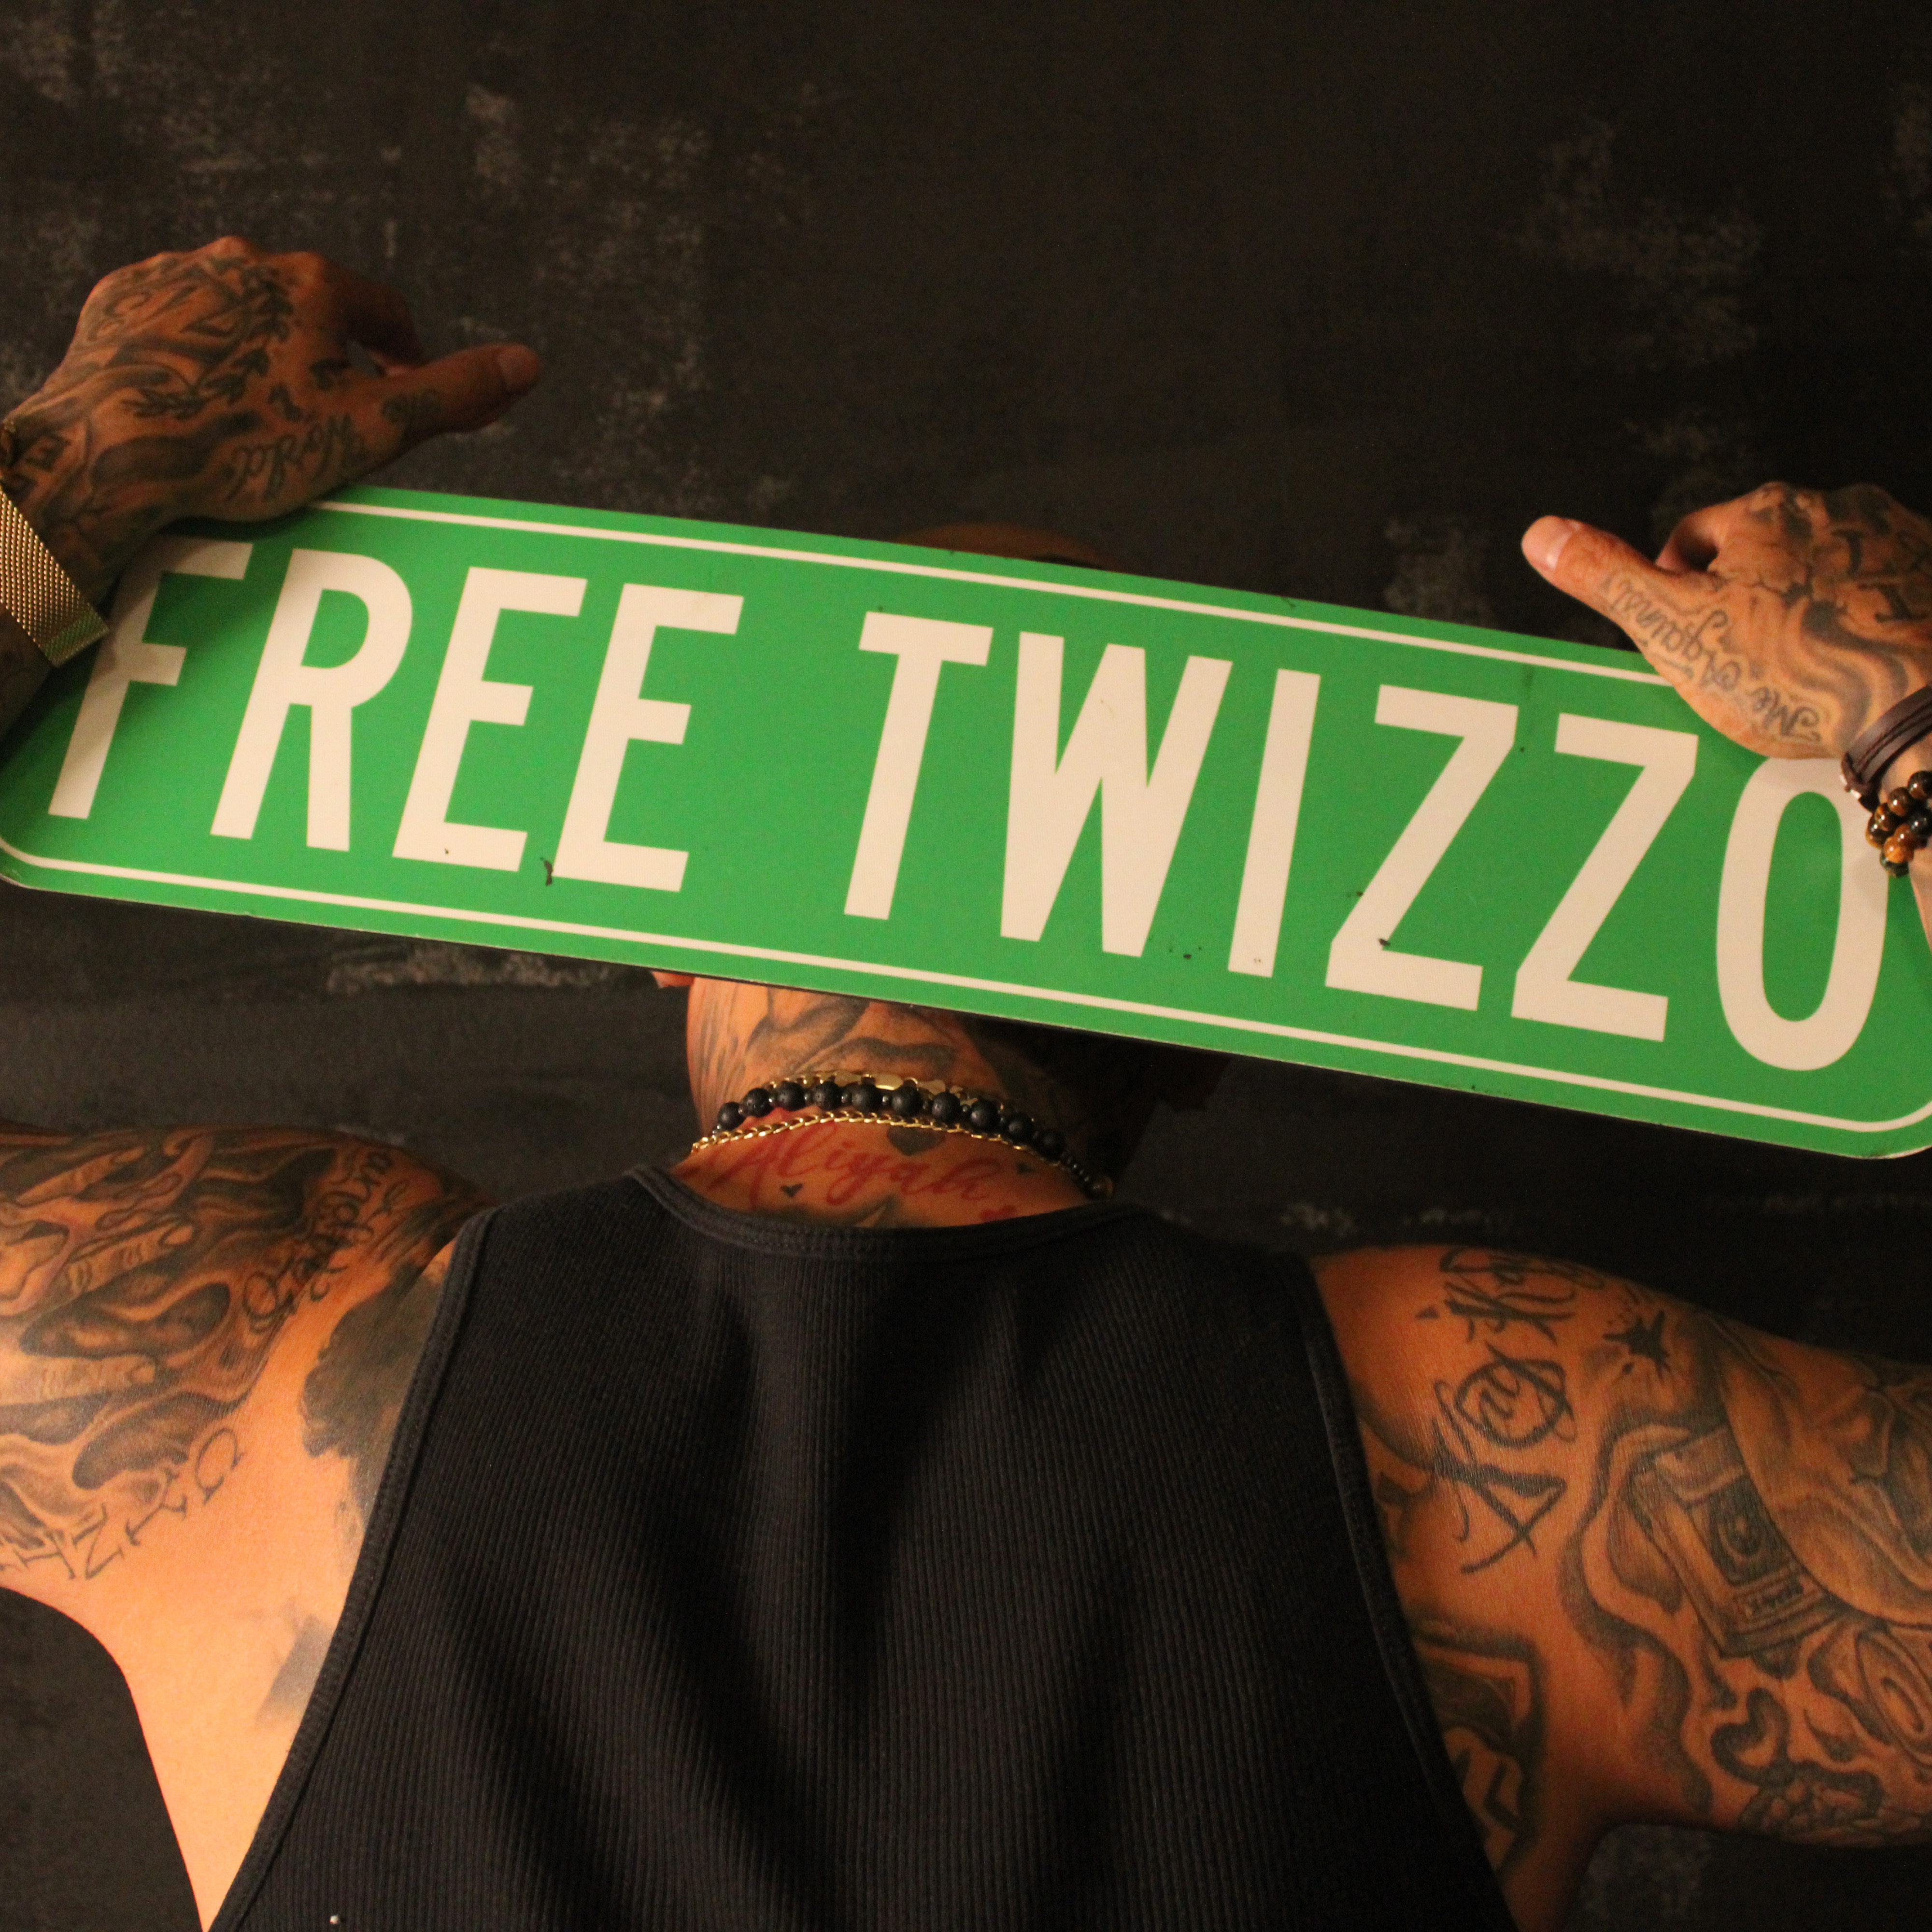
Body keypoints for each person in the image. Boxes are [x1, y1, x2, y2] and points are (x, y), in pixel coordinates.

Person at [1, 239, 1931, 1932]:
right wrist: (1904, 705)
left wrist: (83, 468)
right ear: (1213, 1023)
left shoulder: (262, 1349)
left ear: (653, 907)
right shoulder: (1501, 1447)